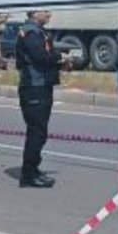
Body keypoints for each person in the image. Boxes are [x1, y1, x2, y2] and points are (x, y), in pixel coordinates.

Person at [15, 9, 70, 188]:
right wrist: (60, 57)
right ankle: (28, 176)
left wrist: (61, 62)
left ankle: (33, 169)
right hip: (33, 89)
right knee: (37, 133)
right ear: (34, 13)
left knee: (40, 132)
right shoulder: (31, 33)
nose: (49, 15)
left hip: (42, 87)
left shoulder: (38, 32)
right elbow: (41, 57)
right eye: (45, 11)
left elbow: (46, 57)